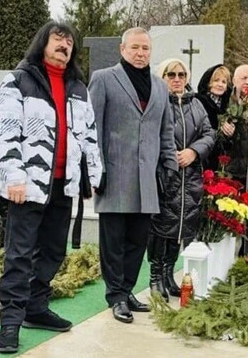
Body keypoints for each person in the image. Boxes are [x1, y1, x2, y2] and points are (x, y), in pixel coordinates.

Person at [0, 21, 102, 353]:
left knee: (53, 251)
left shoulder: (78, 88)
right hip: (27, 185)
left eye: (69, 42)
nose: (64, 45)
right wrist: (14, 177)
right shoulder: (20, 81)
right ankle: (10, 321)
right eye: (58, 39)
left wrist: (92, 176)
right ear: (42, 43)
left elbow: (89, 136)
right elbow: (5, 133)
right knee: (19, 254)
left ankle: (35, 308)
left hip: (62, 186)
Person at [88, 27, 179, 324]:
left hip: (147, 179)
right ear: (122, 48)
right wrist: (95, 169)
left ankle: (127, 290)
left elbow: (165, 131)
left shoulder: (159, 86)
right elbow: (93, 129)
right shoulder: (103, 79)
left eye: (145, 49)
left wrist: (169, 165)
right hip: (114, 175)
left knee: (137, 240)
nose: (140, 54)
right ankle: (115, 296)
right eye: (135, 48)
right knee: (113, 241)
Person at [149, 59, 215, 301]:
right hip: (167, 176)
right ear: (162, 77)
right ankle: (155, 276)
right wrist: (169, 155)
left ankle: (168, 274)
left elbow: (209, 133)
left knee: (180, 227)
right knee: (161, 227)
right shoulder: (157, 102)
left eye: (181, 74)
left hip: (191, 177)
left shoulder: (196, 104)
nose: (177, 79)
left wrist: (194, 151)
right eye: (171, 74)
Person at [195, 64, 233, 171]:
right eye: (216, 80)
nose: (220, 85)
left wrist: (230, 132)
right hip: (202, 153)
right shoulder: (198, 101)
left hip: (220, 158)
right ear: (208, 83)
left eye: (224, 82)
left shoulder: (229, 105)